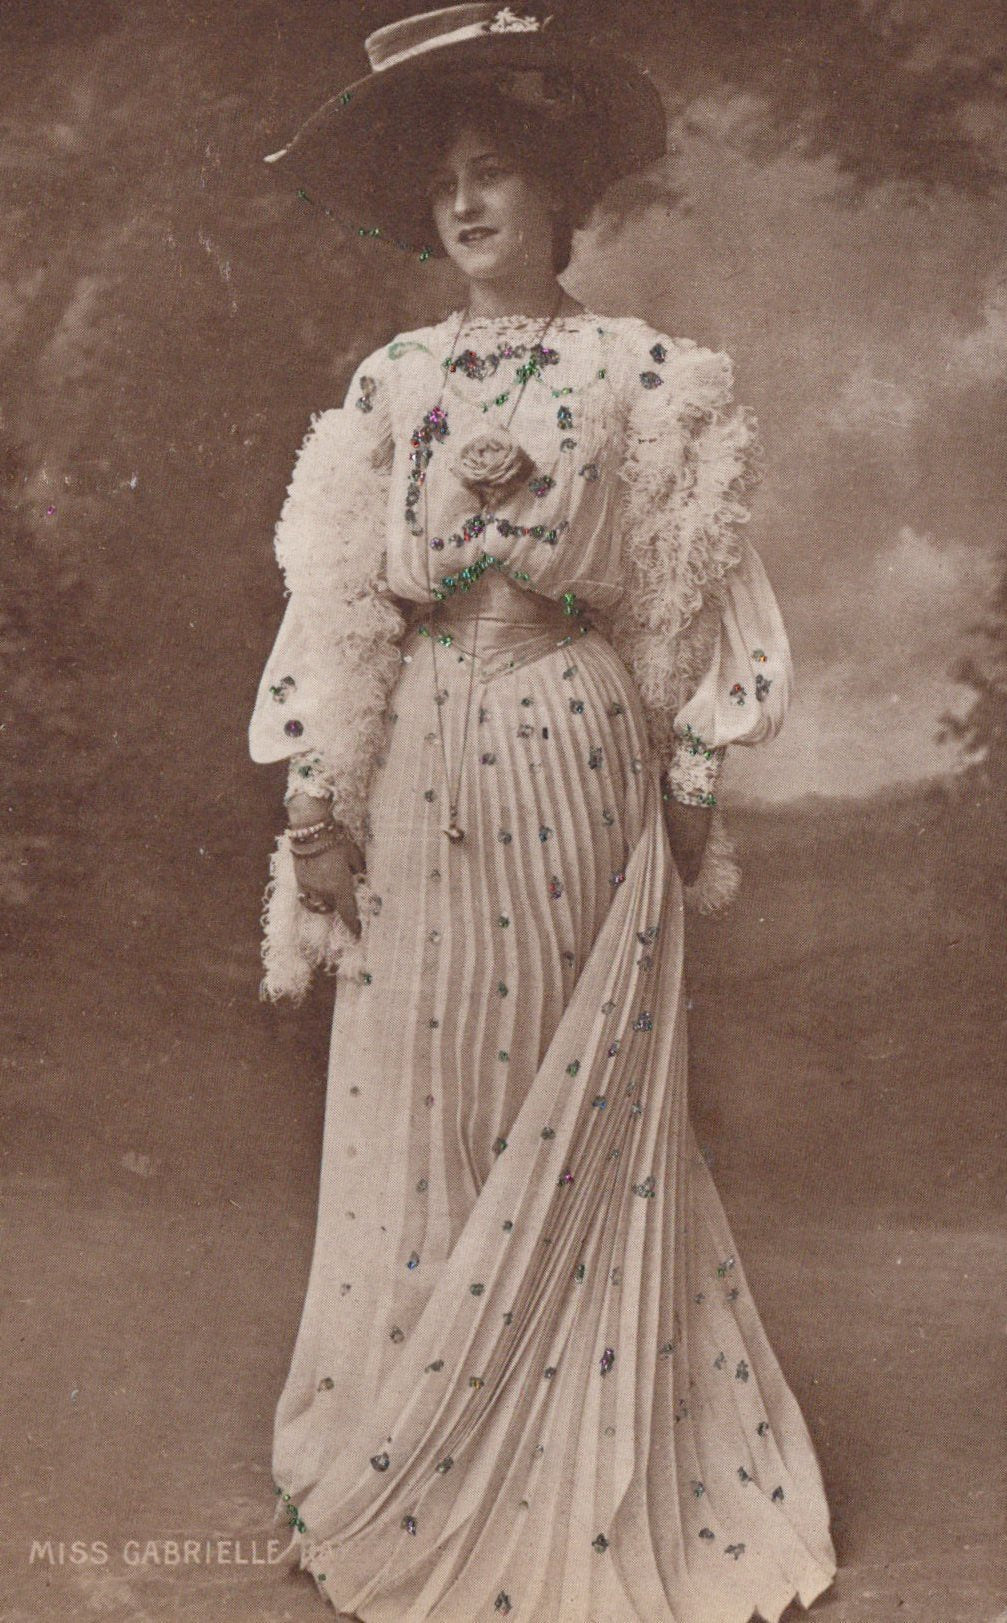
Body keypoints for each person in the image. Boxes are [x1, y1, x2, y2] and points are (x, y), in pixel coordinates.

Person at [249, 6, 838, 1619]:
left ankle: (584, 1463)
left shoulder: (644, 372)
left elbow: (698, 600)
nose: (465, 202)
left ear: (562, 198)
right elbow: (335, 612)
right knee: (426, 1070)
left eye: (495, 171)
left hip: (578, 739)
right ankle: (419, 1434)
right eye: (443, 180)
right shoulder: (391, 382)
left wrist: (695, 781)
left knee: (560, 1079)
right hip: (431, 731)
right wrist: (320, 799)